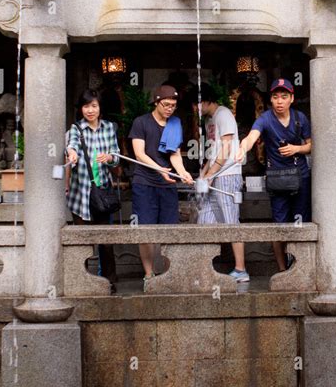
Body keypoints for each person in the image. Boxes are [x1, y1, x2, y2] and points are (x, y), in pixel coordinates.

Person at [237, 78, 311, 273]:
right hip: (277, 180)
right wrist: (243, 148)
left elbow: (312, 145)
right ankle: (282, 269)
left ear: (291, 99)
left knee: (299, 223)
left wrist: (297, 148)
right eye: (275, 97)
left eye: (284, 97)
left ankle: (299, 266)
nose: (279, 101)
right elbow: (252, 136)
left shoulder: (299, 118)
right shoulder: (265, 118)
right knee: (279, 225)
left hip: (300, 178)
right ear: (271, 99)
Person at [129, 84, 193, 283]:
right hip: (144, 182)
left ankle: (168, 274)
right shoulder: (141, 122)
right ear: (156, 103)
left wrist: (182, 173)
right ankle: (148, 273)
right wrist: (158, 168)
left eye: (173, 105)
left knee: (170, 230)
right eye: (166, 104)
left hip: (167, 183)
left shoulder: (175, 123)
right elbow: (139, 153)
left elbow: (174, 154)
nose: (169, 109)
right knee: (146, 230)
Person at [192, 83, 249, 282]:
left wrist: (211, 174)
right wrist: (203, 174)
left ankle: (241, 269)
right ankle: (204, 268)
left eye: (196, 104)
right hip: (215, 175)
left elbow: (226, 148)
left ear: (206, 100)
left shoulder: (223, 114)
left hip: (227, 175)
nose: (194, 109)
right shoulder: (210, 121)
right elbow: (213, 152)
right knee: (204, 221)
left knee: (231, 220)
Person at [66, 89, 120, 292]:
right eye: (86, 106)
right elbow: (70, 147)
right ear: (81, 108)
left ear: (100, 108)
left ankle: (109, 282)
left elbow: (116, 155)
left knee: (106, 241)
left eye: (94, 106)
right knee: (82, 242)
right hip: (81, 194)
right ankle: (82, 283)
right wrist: (72, 154)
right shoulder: (76, 129)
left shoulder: (108, 128)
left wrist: (109, 158)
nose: (90, 110)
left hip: (102, 193)